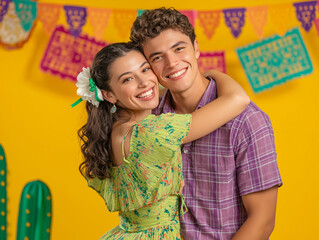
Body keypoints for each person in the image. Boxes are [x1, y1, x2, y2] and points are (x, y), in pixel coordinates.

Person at [130, 7, 283, 240]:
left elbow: (262, 222)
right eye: (157, 57)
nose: (171, 63)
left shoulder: (246, 121)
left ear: (197, 48)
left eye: (179, 48)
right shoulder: (149, 121)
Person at [76, 42, 250, 239]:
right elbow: (238, 99)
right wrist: (211, 75)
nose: (144, 82)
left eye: (145, 69)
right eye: (128, 79)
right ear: (108, 95)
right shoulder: (152, 132)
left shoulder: (111, 131)